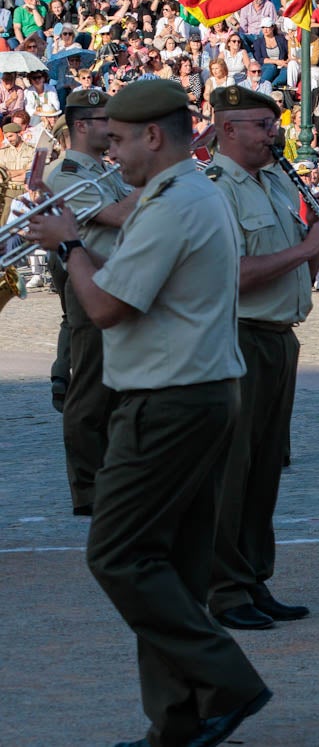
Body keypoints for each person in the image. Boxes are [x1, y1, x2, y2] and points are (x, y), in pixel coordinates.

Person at [23, 79, 272, 747]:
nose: (114, 153)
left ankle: (230, 682)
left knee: (118, 553)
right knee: (172, 564)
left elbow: (105, 308)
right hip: (195, 392)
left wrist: (68, 244)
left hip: (168, 401)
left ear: (153, 136)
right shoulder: (188, 193)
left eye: (122, 139)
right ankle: (178, 720)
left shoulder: (172, 202)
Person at [201, 86, 319, 629]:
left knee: (265, 469)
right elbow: (229, 277)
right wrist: (304, 249)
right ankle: (224, 591)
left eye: (273, 124)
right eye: (261, 124)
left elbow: (294, 270)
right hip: (239, 338)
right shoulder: (214, 189)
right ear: (228, 129)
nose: (273, 133)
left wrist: (318, 241)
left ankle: (254, 577)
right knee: (232, 471)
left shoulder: (278, 179)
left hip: (280, 337)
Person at [43, 87, 135, 517]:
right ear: (81, 126)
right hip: (91, 281)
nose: (111, 127)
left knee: (117, 388)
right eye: (103, 120)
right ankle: (88, 489)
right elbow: (116, 216)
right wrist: (166, 177)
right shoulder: (65, 173)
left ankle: (114, 478)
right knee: (91, 389)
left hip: (118, 279)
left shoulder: (105, 170)